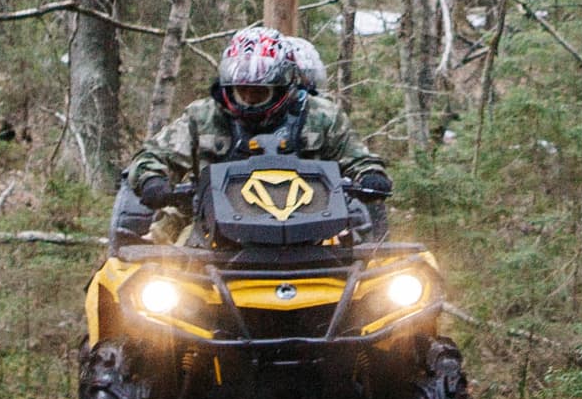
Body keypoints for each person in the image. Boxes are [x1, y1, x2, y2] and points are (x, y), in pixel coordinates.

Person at [112, 26, 389, 241]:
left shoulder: (322, 116)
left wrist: (370, 174)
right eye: (240, 89)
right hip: (210, 229)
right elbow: (155, 155)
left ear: (282, 85)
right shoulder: (203, 116)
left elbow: (356, 157)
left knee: (369, 272)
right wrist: (153, 180)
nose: (248, 98)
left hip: (315, 228)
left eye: (258, 92)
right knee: (155, 276)